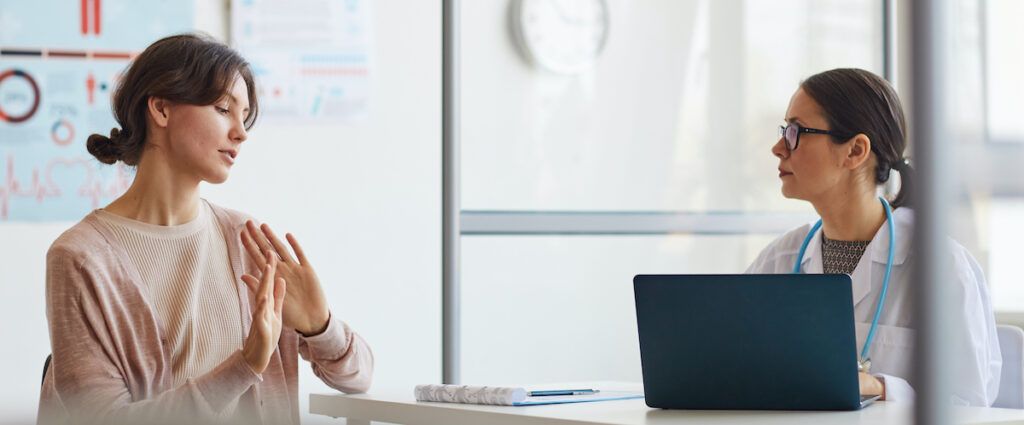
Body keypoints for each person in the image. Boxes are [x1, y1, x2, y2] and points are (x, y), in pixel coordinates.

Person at [38, 33, 373, 424]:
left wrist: (321, 326)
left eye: (244, 115)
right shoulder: (82, 257)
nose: (241, 132)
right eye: (222, 109)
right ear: (161, 108)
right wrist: (245, 365)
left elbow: (359, 378)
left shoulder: (247, 240)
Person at [746, 68, 1000, 406]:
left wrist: (880, 388)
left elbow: (968, 405)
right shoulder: (779, 260)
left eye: (795, 132)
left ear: (854, 151)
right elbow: (734, 365)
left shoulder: (942, 268)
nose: (779, 148)